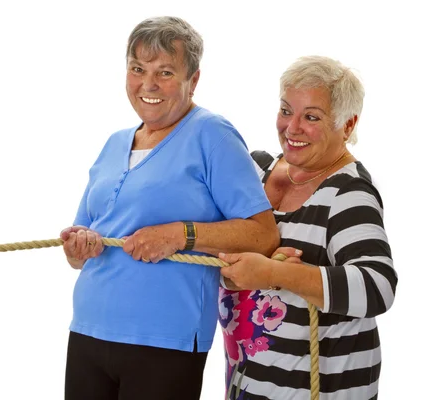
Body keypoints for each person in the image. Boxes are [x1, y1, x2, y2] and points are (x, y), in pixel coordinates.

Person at [59, 16, 280, 400]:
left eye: (164, 72)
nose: (148, 84)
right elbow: (82, 245)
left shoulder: (212, 134)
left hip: (165, 339)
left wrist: (182, 234)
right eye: (137, 69)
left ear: (192, 80)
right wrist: (80, 245)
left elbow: (262, 234)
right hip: (88, 330)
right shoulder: (113, 143)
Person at [218, 56, 397, 400]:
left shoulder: (348, 193)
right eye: (286, 111)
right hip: (247, 385)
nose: (292, 127)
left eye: (311, 117)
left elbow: (378, 287)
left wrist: (277, 273)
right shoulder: (256, 170)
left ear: (347, 125)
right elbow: (216, 244)